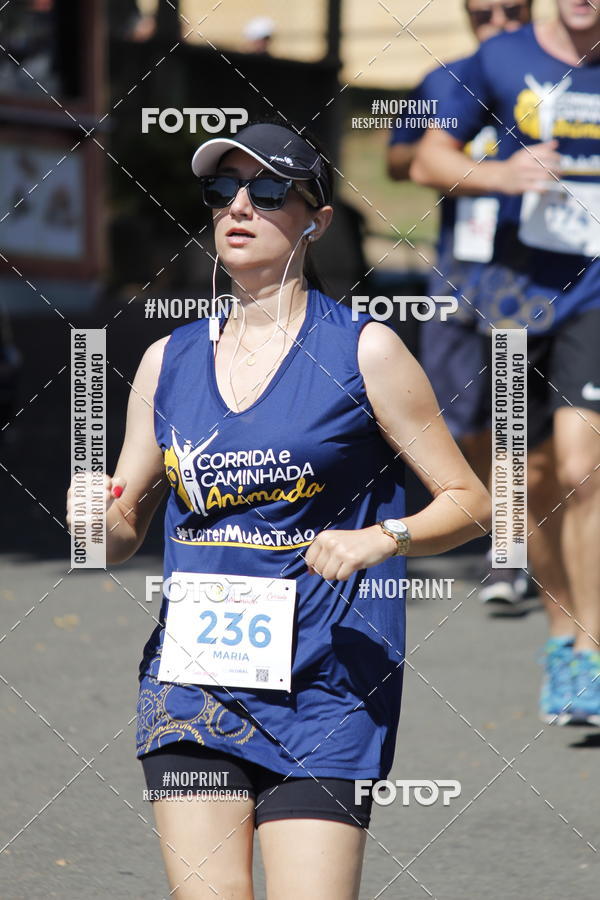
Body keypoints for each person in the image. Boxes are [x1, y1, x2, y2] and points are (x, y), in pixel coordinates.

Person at [67, 121, 491, 898]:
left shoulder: (365, 351)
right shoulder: (168, 361)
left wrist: (382, 537)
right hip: (192, 685)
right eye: (221, 191)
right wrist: (93, 517)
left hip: (325, 685)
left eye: (267, 192)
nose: (239, 206)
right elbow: (120, 535)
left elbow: (472, 503)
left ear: (316, 220)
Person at [412, 0, 600, 726]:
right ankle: (561, 632)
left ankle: (590, 650)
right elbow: (428, 157)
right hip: (512, 300)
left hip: (591, 296)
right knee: (528, 480)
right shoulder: (500, 59)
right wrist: (499, 174)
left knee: (582, 464)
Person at [388, 0, 533, 605]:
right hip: (457, 270)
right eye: (483, 13)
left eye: (512, 11)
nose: (496, 23)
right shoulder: (445, 79)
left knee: (514, 412)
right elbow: (401, 159)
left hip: (529, 275)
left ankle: (512, 551)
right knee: (457, 412)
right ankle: (509, 525)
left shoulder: (550, 82)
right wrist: (466, 157)